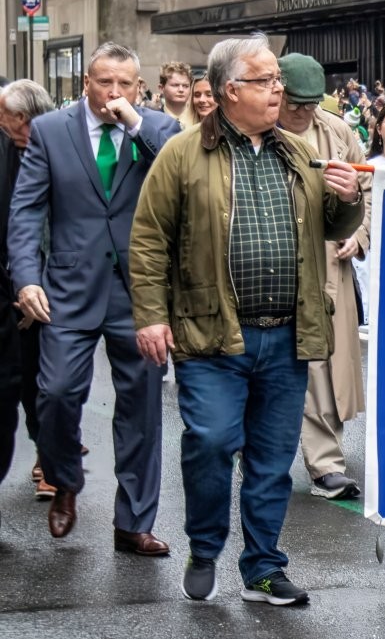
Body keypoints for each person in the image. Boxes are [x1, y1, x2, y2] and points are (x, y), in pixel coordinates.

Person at [130, 33, 365, 605]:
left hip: (286, 335)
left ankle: (262, 568)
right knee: (211, 441)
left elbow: (333, 226)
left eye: (278, 80)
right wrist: (152, 316)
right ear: (230, 90)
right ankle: (205, 546)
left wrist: (348, 198)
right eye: (266, 81)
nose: (278, 90)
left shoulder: (297, 152)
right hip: (212, 334)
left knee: (271, 460)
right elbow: (149, 240)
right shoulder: (182, 154)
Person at [8, 43, 180, 552]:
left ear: (139, 86)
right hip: (67, 286)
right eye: (105, 82)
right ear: (87, 82)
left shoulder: (158, 128)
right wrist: (26, 279)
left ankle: (134, 522)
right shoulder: (50, 130)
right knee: (56, 392)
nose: (114, 92)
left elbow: (178, 172)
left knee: (142, 408)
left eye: (125, 83)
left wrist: (136, 123)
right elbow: (26, 211)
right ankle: (64, 479)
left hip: (140, 290)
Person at [278, 53, 372, 501]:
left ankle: (326, 464)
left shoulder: (336, 130)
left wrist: (360, 232)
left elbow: (367, 185)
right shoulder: (252, 131)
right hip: (268, 262)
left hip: (328, 261)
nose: (303, 112)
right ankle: (252, 446)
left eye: (311, 103)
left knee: (323, 362)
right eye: (295, 102)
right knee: (263, 361)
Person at [0, 81, 57, 502]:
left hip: (52, 282)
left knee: (47, 383)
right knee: (13, 381)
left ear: (20, 118)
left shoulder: (57, 148)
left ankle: (49, 458)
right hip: (11, 287)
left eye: (4, 114)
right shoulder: (6, 150)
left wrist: (38, 284)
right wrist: (16, 288)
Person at [157, 61, 193, 126]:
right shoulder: (154, 120)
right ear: (161, 88)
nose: (181, 90)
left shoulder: (200, 119)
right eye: (175, 85)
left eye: (185, 86)